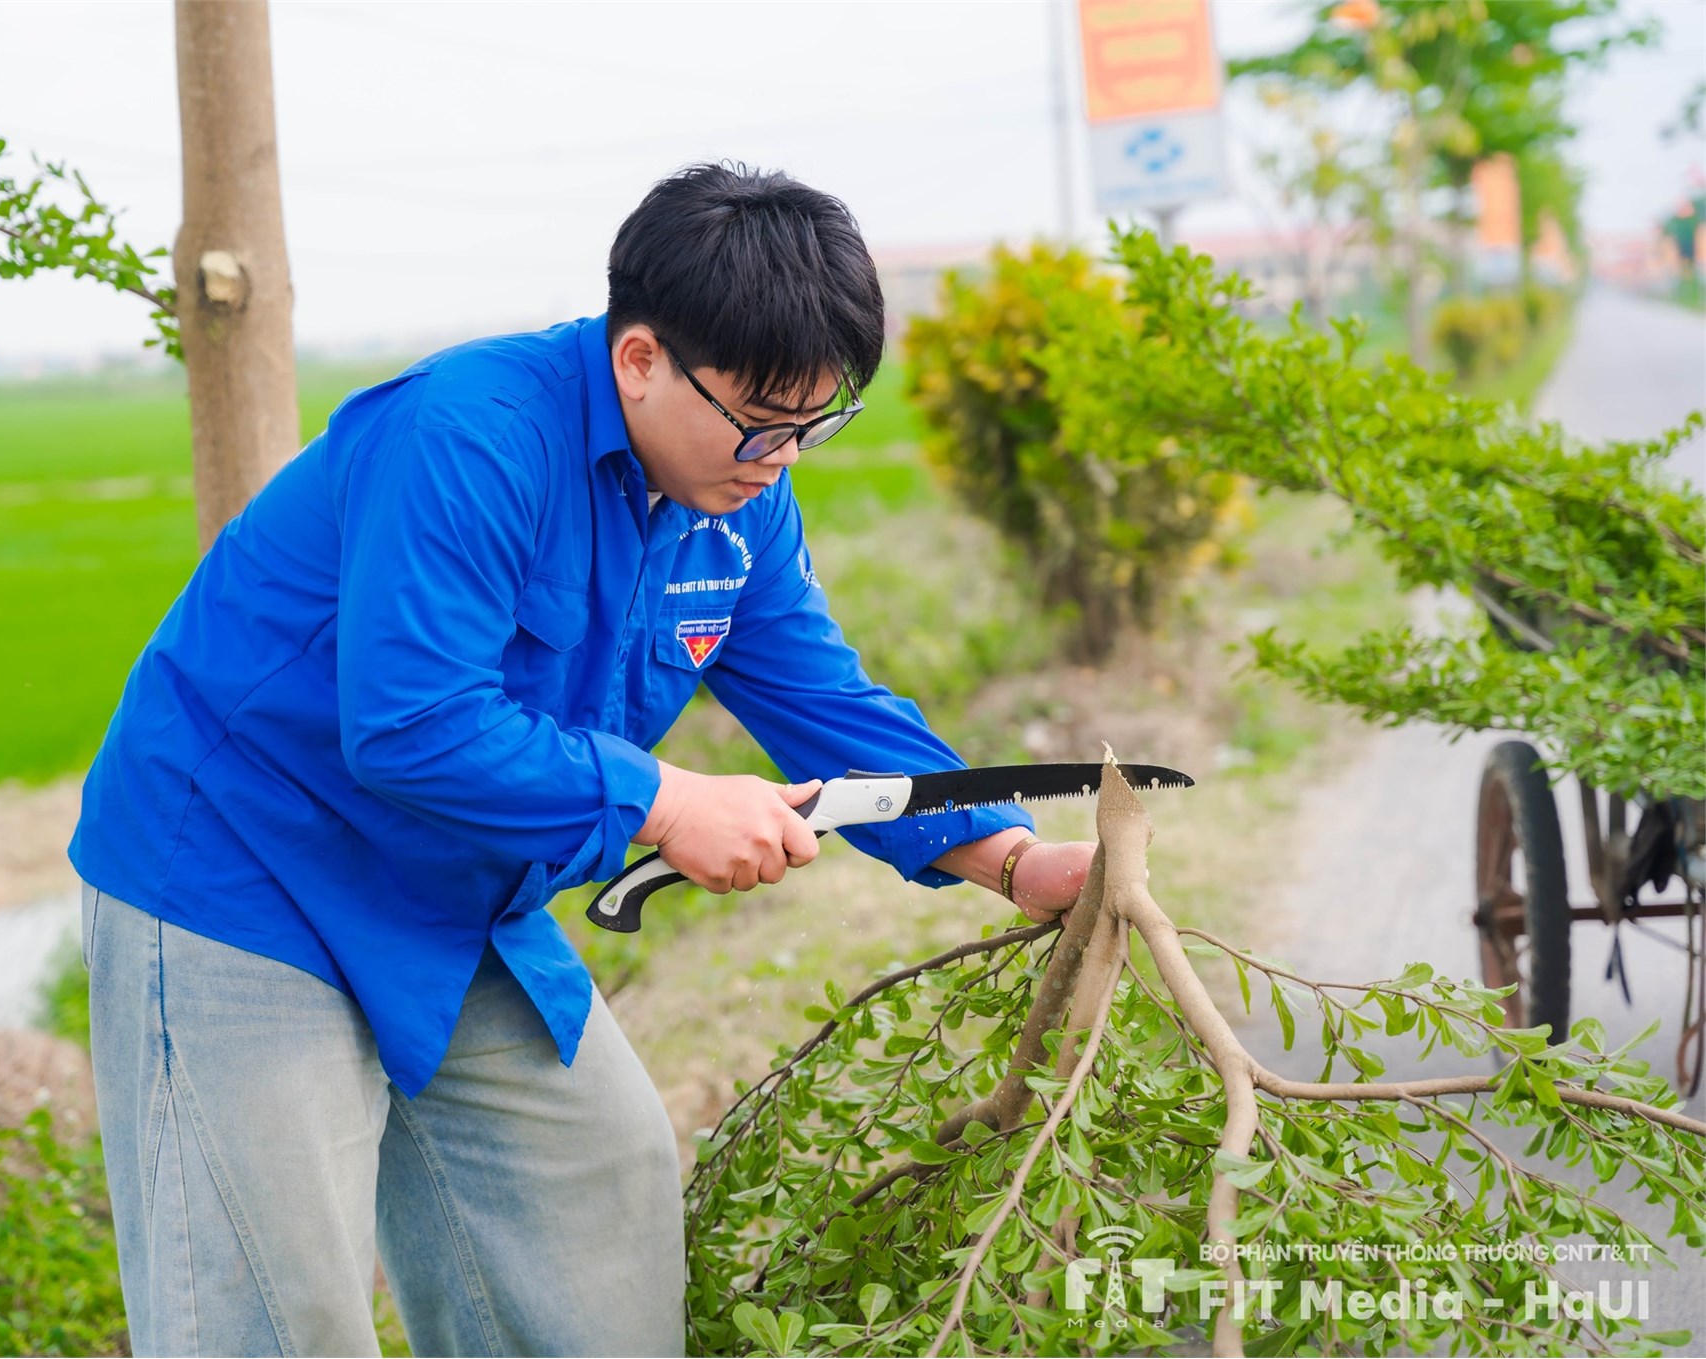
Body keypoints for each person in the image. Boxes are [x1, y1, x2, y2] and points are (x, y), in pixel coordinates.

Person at [68, 162, 1094, 1358]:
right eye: (763, 418)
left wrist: (1014, 861)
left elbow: (825, 700)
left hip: (456, 890)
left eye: (816, 423)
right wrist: (662, 798)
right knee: (275, 1311)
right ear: (641, 359)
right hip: (243, 878)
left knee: (601, 1191)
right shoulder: (472, 437)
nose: (784, 457)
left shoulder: (739, 494)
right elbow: (409, 722)